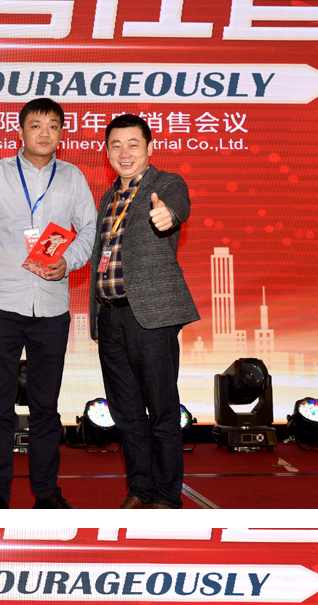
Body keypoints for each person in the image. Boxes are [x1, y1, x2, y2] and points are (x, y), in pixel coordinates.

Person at [0, 96, 97, 509]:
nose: (44, 133)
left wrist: (69, 261)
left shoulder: (73, 178)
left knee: (46, 407)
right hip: (1, 303)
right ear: (21, 131)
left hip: (51, 307)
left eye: (53, 126)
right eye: (36, 125)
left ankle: (47, 491)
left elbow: (89, 231)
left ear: (61, 133)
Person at [90, 114, 200, 509]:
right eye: (116, 145)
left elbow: (177, 205)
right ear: (107, 152)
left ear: (149, 148)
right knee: (126, 413)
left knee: (162, 411)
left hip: (150, 318)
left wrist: (168, 214)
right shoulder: (107, 199)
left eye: (133, 144)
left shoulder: (165, 184)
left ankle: (167, 497)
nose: (125, 153)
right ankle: (140, 489)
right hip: (110, 316)